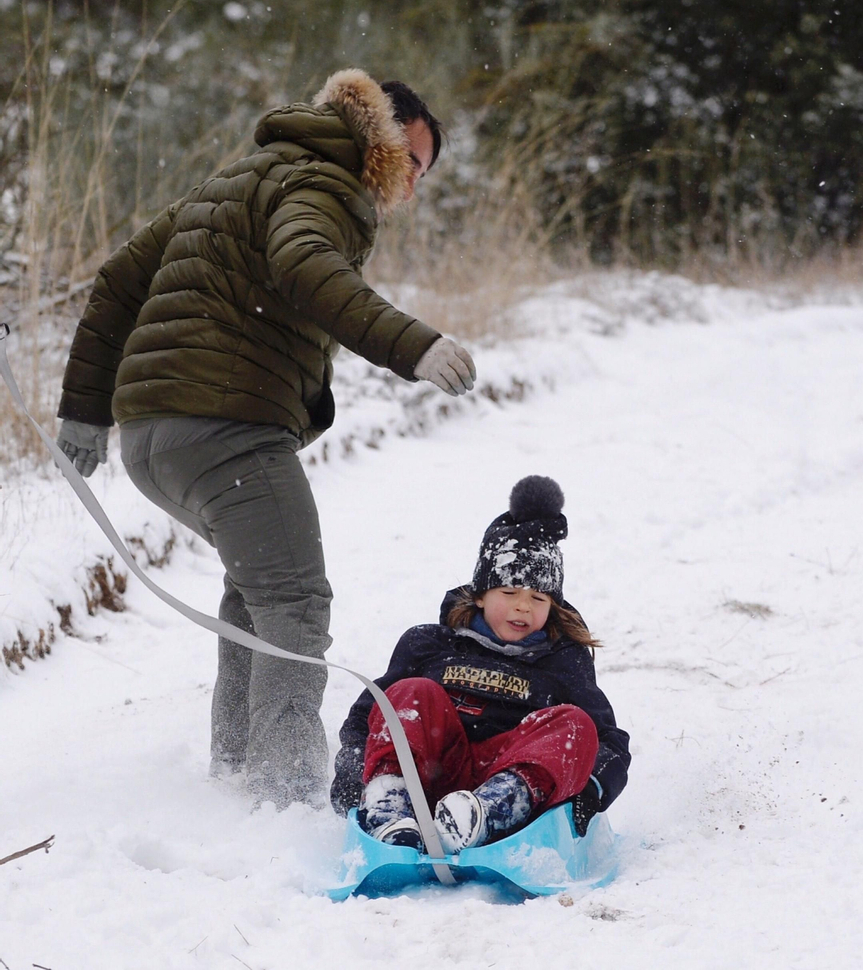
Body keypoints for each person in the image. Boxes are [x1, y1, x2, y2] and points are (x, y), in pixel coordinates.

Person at [54, 69, 479, 805]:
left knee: (257, 593)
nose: (411, 188)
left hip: (154, 437)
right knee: (294, 601)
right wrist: (413, 345)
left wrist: (84, 410)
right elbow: (304, 264)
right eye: (413, 164)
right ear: (378, 136)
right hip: (227, 426)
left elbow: (120, 277)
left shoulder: (248, 172)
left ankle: (235, 775)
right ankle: (287, 796)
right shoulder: (329, 186)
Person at [329, 475, 630, 852]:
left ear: (553, 607)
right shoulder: (430, 645)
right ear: (480, 596)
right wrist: (352, 773)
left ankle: (487, 813)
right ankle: (389, 809)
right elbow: (368, 717)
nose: (523, 606)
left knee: (574, 724)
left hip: (514, 778)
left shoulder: (563, 660)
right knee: (408, 694)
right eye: (509, 592)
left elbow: (609, 742)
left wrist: (590, 788)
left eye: (539, 598)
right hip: (430, 773)